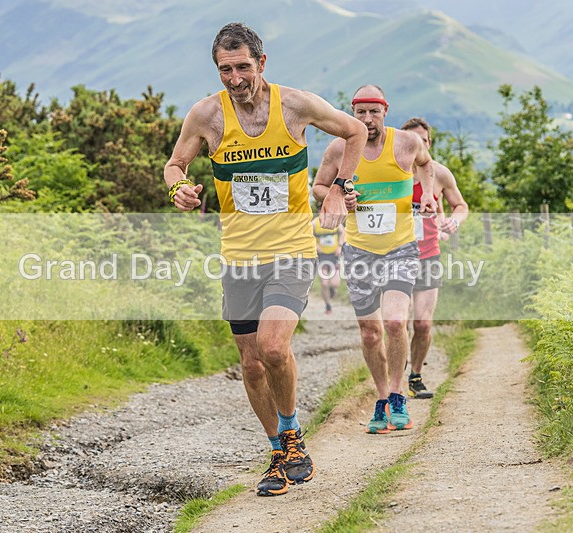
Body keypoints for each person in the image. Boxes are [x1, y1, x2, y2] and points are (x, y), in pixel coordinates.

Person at [164, 22, 366, 496]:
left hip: (292, 250)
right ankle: (277, 452)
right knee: (252, 363)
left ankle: (293, 435)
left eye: (242, 67)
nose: (234, 79)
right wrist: (179, 188)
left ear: (262, 63)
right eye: (224, 70)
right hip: (239, 256)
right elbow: (176, 164)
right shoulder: (206, 116)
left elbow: (354, 131)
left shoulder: (295, 105)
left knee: (274, 348)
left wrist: (338, 188)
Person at [313, 85, 436, 435]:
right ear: (352, 113)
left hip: (400, 247)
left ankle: (398, 395)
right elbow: (318, 187)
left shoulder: (408, 143)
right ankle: (381, 399)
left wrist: (426, 193)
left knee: (396, 322)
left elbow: (426, 166)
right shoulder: (339, 147)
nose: (367, 119)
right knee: (370, 332)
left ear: (385, 111)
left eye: (374, 112)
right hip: (359, 250)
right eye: (360, 112)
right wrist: (338, 196)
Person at [401, 117, 468, 399]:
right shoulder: (392, 174)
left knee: (423, 324)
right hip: (395, 256)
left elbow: (461, 205)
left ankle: (415, 376)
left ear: (428, 145)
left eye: (423, 142)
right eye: (411, 141)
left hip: (428, 255)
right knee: (396, 323)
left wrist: (453, 222)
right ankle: (395, 376)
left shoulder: (440, 174)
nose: (418, 146)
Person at [312, 210, 345, 314]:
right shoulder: (314, 223)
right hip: (321, 256)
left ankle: (332, 290)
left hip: (334, 255)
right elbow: (308, 235)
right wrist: (316, 245)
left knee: (335, 284)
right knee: (324, 283)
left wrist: (340, 246)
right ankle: (328, 305)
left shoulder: (335, 221)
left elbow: (343, 232)